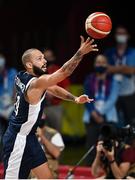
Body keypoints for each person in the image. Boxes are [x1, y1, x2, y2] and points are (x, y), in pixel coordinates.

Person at [2, 36, 98, 179]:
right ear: (29, 64)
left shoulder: (21, 75)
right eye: (39, 58)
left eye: (43, 57)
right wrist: (80, 53)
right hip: (17, 139)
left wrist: (75, 98)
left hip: (30, 137)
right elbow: (64, 73)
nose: (45, 60)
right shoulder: (35, 84)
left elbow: (53, 88)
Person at [83, 54, 120, 165]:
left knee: (109, 145)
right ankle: (89, 171)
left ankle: (110, 172)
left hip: (108, 116)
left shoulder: (113, 80)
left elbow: (112, 99)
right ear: (94, 65)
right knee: (91, 146)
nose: (100, 64)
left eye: (103, 62)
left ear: (107, 65)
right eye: (98, 62)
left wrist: (99, 113)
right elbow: (86, 96)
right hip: (91, 116)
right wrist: (94, 113)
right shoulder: (89, 79)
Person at [105, 25, 135, 126]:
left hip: (129, 92)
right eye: (118, 33)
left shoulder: (132, 52)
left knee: (131, 123)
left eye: (123, 33)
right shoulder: (109, 52)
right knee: (114, 123)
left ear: (127, 36)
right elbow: (105, 69)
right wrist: (123, 68)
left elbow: (131, 70)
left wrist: (114, 68)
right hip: (113, 92)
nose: (120, 36)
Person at [43, 49, 70, 132]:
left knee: (56, 134)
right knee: (41, 133)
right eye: (45, 57)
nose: (47, 59)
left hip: (55, 106)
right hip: (41, 107)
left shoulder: (59, 71)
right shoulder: (38, 71)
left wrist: (54, 94)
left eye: (49, 57)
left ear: (53, 58)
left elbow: (67, 88)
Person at [0, 54, 17, 162]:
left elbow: (17, 86)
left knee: (12, 134)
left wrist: (14, 99)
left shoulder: (12, 72)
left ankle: (11, 158)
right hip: (0, 109)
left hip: (11, 108)